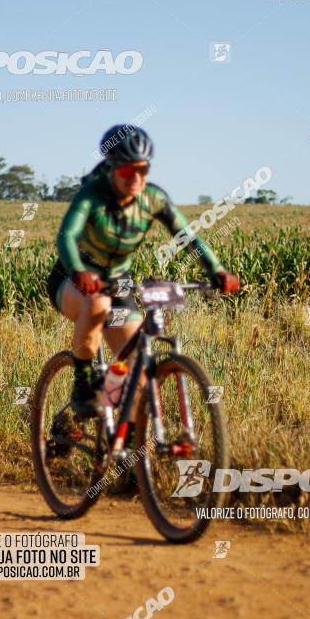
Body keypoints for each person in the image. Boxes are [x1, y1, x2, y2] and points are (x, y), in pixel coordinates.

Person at [47, 124, 239, 422]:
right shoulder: (92, 196)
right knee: (96, 305)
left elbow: (188, 238)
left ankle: (122, 447)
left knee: (134, 367)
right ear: (111, 169)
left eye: (142, 169)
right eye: (126, 172)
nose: (135, 178)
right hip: (73, 277)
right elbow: (66, 237)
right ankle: (83, 388)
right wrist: (79, 271)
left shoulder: (153, 199)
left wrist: (216, 270)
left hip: (117, 282)